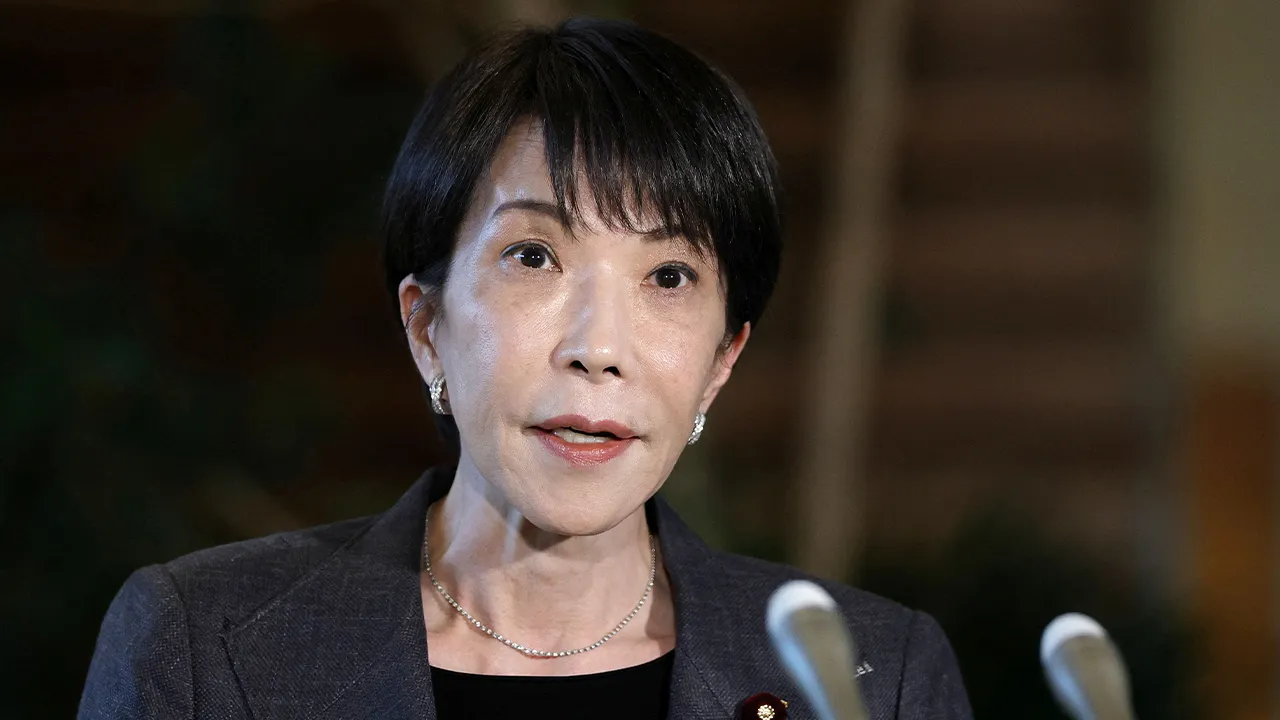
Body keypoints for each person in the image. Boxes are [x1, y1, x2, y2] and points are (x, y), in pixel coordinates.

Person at [79, 18, 971, 720]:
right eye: (535, 256)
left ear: (719, 363)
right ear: (426, 326)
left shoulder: (874, 677)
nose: (598, 348)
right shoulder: (202, 646)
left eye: (668, 276)